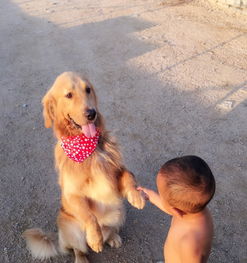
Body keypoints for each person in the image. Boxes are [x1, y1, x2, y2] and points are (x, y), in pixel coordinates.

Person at [138, 155, 215, 263]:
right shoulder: (194, 211)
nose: (159, 195)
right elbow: (169, 208)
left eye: (160, 194)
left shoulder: (190, 244)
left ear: (175, 210)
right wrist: (150, 195)